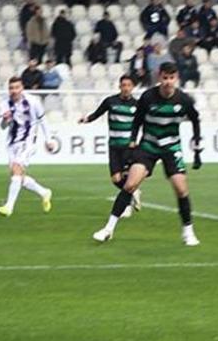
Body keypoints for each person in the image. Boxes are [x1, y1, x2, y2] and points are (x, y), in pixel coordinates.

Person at [92, 62, 202, 246]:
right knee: (130, 185)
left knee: (181, 189)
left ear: (176, 78)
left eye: (171, 78)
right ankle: (108, 229)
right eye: (165, 78)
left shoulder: (183, 100)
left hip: (171, 148)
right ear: (159, 77)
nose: (168, 82)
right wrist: (133, 140)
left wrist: (197, 148)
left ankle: (188, 232)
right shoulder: (148, 97)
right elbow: (137, 120)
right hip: (148, 146)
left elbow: (195, 120)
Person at [79, 75, 142, 217]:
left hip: (128, 146)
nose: (126, 88)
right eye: (123, 85)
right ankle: (134, 191)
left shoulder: (137, 105)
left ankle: (127, 207)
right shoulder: (110, 101)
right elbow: (97, 113)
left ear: (132, 87)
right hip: (114, 146)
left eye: (128, 85)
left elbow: (139, 124)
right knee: (116, 179)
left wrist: (135, 140)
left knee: (127, 177)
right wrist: (86, 119)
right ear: (119, 86)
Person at [0, 77, 55, 217]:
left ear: (22, 88)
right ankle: (44, 192)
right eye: (11, 88)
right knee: (18, 176)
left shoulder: (33, 101)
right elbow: (3, 126)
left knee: (16, 169)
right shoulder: (4, 103)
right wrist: (5, 120)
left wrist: (49, 139)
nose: (14, 91)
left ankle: (9, 207)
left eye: (17, 87)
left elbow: (43, 120)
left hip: (28, 141)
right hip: (12, 143)